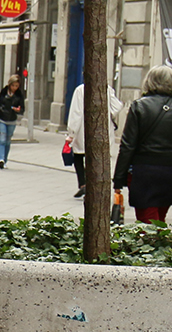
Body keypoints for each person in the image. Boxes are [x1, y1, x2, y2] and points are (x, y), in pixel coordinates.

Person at [112, 64, 172, 223]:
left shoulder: (140, 106)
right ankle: (161, 243)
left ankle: (155, 245)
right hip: (169, 172)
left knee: (148, 220)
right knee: (159, 217)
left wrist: (119, 179)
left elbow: (127, 146)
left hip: (144, 172)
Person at [66, 81, 123, 198]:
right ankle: (96, 186)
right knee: (97, 158)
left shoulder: (81, 90)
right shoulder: (106, 88)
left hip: (84, 129)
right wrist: (109, 114)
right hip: (103, 130)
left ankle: (83, 184)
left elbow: (76, 113)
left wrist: (71, 133)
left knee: (78, 156)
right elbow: (117, 106)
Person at [0, 74, 25, 169]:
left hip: (12, 119)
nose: (14, 88)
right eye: (13, 85)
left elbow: (22, 107)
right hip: (2, 118)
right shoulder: (4, 91)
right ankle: (1, 159)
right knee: (2, 139)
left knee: (8, 141)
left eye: (16, 86)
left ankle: (5, 160)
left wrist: (18, 109)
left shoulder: (19, 94)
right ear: (10, 84)